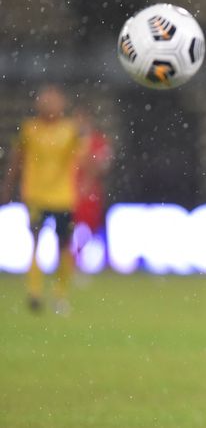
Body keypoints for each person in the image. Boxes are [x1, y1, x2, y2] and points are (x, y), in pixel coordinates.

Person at [1, 85, 84, 315]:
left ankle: (60, 294)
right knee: (36, 242)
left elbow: (84, 158)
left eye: (53, 101)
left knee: (64, 246)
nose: (48, 105)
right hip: (36, 195)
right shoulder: (29, 129)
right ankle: (35, 291)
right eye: (44, 100)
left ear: (62, 104)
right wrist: (7, 186)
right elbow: (16, 160)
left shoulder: (70, 130)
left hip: (63, 197)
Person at [72, 106, 112, 263]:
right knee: (70, 228)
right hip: (68, 191)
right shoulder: (68, 141)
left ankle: (103, 260)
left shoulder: (98, 141)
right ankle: (73, 261)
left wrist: (88, 178)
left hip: (91, 193)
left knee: (92, 227)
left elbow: (104, 166)